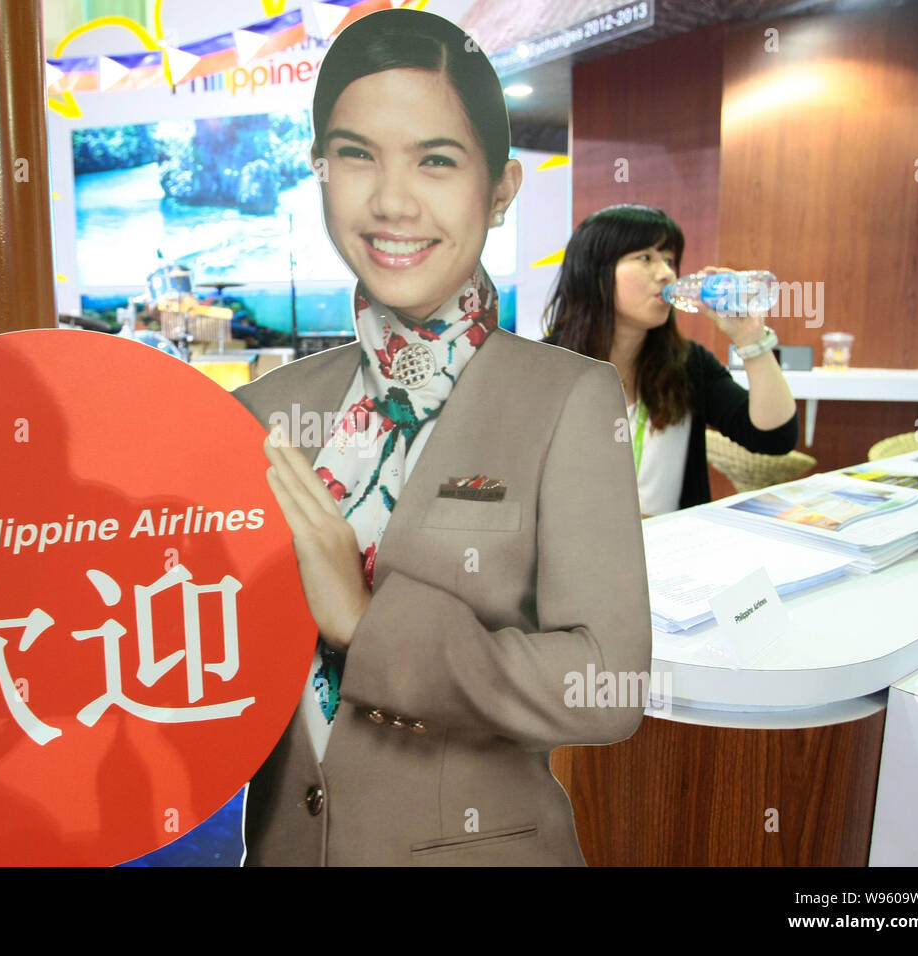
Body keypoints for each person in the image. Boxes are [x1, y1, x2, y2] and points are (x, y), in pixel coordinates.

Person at [234, 8, 651, 866]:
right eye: (356, 155)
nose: (391, 200)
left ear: (500, 188)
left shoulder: (570, 400)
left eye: (435, 160)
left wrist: (365, 622)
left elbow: (606, 685)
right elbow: (189, 656)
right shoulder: (268, 411)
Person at [542, 204, 799, 515]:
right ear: (596, 274)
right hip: (577, 555)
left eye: (669, 260)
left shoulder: (688, 363)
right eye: (646, 258)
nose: (666, 274)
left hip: (671, 556)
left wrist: (750, 337)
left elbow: (774, 438)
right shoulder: (543, 366)